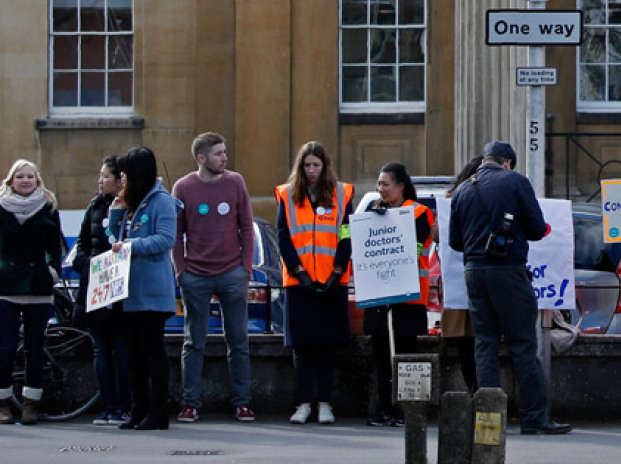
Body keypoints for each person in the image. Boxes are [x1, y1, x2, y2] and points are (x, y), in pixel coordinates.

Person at [448, 140, 571, 435]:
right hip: (508, 272)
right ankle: (534, 417)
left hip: (474, 272)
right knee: (522, 345)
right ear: (507, 163)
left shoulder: (463, 188)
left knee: (485, 344)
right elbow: (538, 228)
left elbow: (454, 242)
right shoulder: (516, 182)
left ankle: (489, 421)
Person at [171, 132, 256, 422]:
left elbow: (246, 225)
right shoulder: (183, 187)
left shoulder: (235, 182)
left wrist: (245, 268)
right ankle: (190, 403)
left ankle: (243, 402)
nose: (225, 157)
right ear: (202, 158)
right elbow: (176, 234)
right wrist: (181, 271)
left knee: (238, 340)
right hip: (195, 274)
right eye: (219, 153)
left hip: (232, 272)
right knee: (193, 341)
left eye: (225, 152)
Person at [0, 160, 65, 425]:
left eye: (30, 176)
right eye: (20, 176)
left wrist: (53, 273)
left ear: (37, 180)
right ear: (11, 181)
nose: (25, 181)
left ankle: (31, 405)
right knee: (5, 348)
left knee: (34, 348)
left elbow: (55, 248)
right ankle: (1, 403)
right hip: (5, 286)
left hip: (38, 286)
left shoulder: (48, 207)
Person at [275, 142, 355, 425]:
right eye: (306, 165)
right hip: (300, 282)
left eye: (316, 165)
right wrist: (299, 272)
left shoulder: (342, 194)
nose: (311, 171)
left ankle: (325, 403)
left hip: (332, 280)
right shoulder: (287, 195)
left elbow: (347, 233)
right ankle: (303, 403)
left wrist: (337, 270)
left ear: (325, 166)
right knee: (302, 347)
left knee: (328, 346)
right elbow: (283, 236)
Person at [108, 147, 179, 430]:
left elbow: (165, 240)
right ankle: (138, 409)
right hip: (129, 290)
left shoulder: (162, 201)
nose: (121, 179)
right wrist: (115, 216)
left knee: (152, 353)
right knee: (133, 355)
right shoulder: (130, 202)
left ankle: (158, 412)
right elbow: (112, 238)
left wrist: (130, 246)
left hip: (151, 290)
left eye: (124, 174)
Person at [362, 161, 434, 427]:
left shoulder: (420, 213)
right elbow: (355, 238)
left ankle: (405, 410)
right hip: (379, 297)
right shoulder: (372, 211)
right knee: (381, 356)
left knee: (405, 356)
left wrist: (387, 224)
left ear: (401, 186)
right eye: (379, 184)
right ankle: (383, 409)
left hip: (407, 298)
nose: (381, 189)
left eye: (386, 184)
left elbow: (410, 250)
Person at [72, 155, 132, 426]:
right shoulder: (94, 206)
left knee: (122, 350)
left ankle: (124, 405)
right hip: (96, 287)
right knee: (100, 350)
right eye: (99, 176)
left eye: (105, 176)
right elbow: (82, 244)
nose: (100, 181)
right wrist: (86, 264)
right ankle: (107, 406)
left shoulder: (131, 207)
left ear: (120, 180)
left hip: (121, 288)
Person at [433, 155, 483, 394]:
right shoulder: (452, 200)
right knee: (470, 342)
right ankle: (475, 389)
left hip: (461, 281)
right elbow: (436, 235)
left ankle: (475, 389)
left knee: (470, 342)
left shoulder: (454, 198)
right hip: (461, 282)